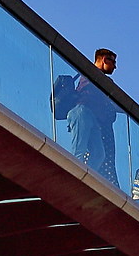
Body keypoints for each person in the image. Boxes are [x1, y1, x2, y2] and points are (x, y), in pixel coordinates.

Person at [51, 48, 119, 184]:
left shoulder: (91, 76)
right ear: (105, 60)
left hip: (91, 117)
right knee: (79, 150)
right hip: (81, 113)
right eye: (113, 62)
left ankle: (85, 178)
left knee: (99, 154)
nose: (115, 67)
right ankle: (72, 178)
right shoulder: (93, 74)